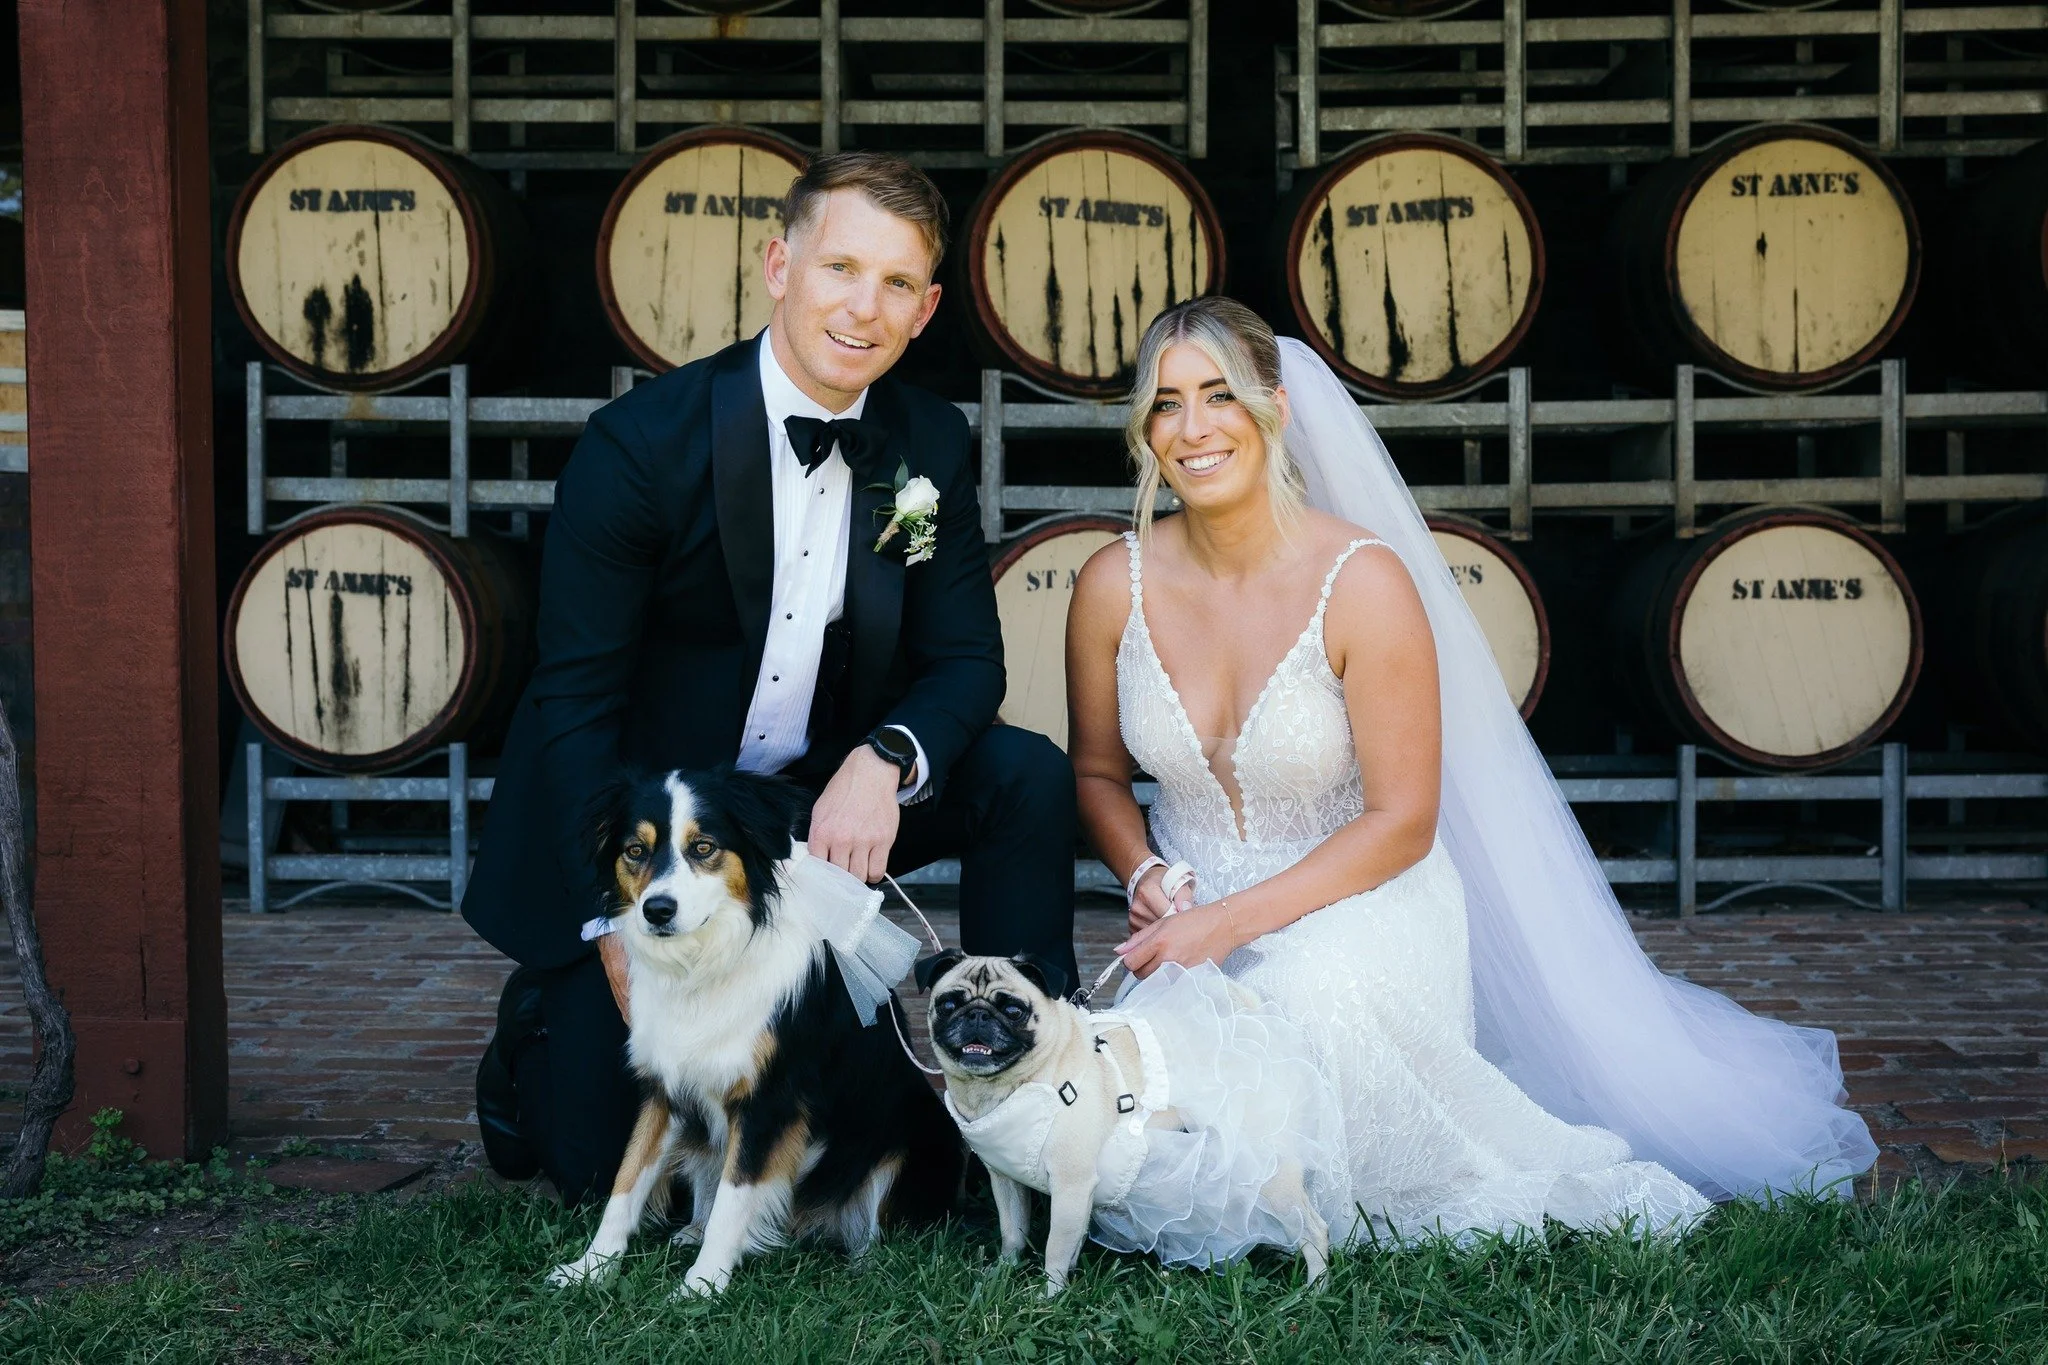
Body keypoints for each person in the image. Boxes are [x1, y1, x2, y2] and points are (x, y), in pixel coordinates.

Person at [1065, 297, 1876, 1252]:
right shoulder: (1111, 582)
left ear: (1276, 410)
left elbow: (1404, 820)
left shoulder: (1362, 580)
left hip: (1360, 906)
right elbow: (1097, 772)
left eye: (1219, 396)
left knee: (1302, 1009)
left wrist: (1225, 925)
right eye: (1166, 404)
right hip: (1192, 911)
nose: (1193, 429)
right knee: (1135, 1115)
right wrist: (1147, 875)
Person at [465, 152, 1077, 1203]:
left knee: (1022, 774)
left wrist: (886, 759)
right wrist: (607, 915)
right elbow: (573, 703)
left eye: (895, 284)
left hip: (807, 808)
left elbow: (967, 658)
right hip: (645, 825)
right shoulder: (639, 447)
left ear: (927, 308)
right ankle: (534, 1025)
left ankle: (1030, 1102)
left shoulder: (924, 444)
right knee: (591, 1167)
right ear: (777, 265)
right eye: (840, 267)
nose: (863, 307)